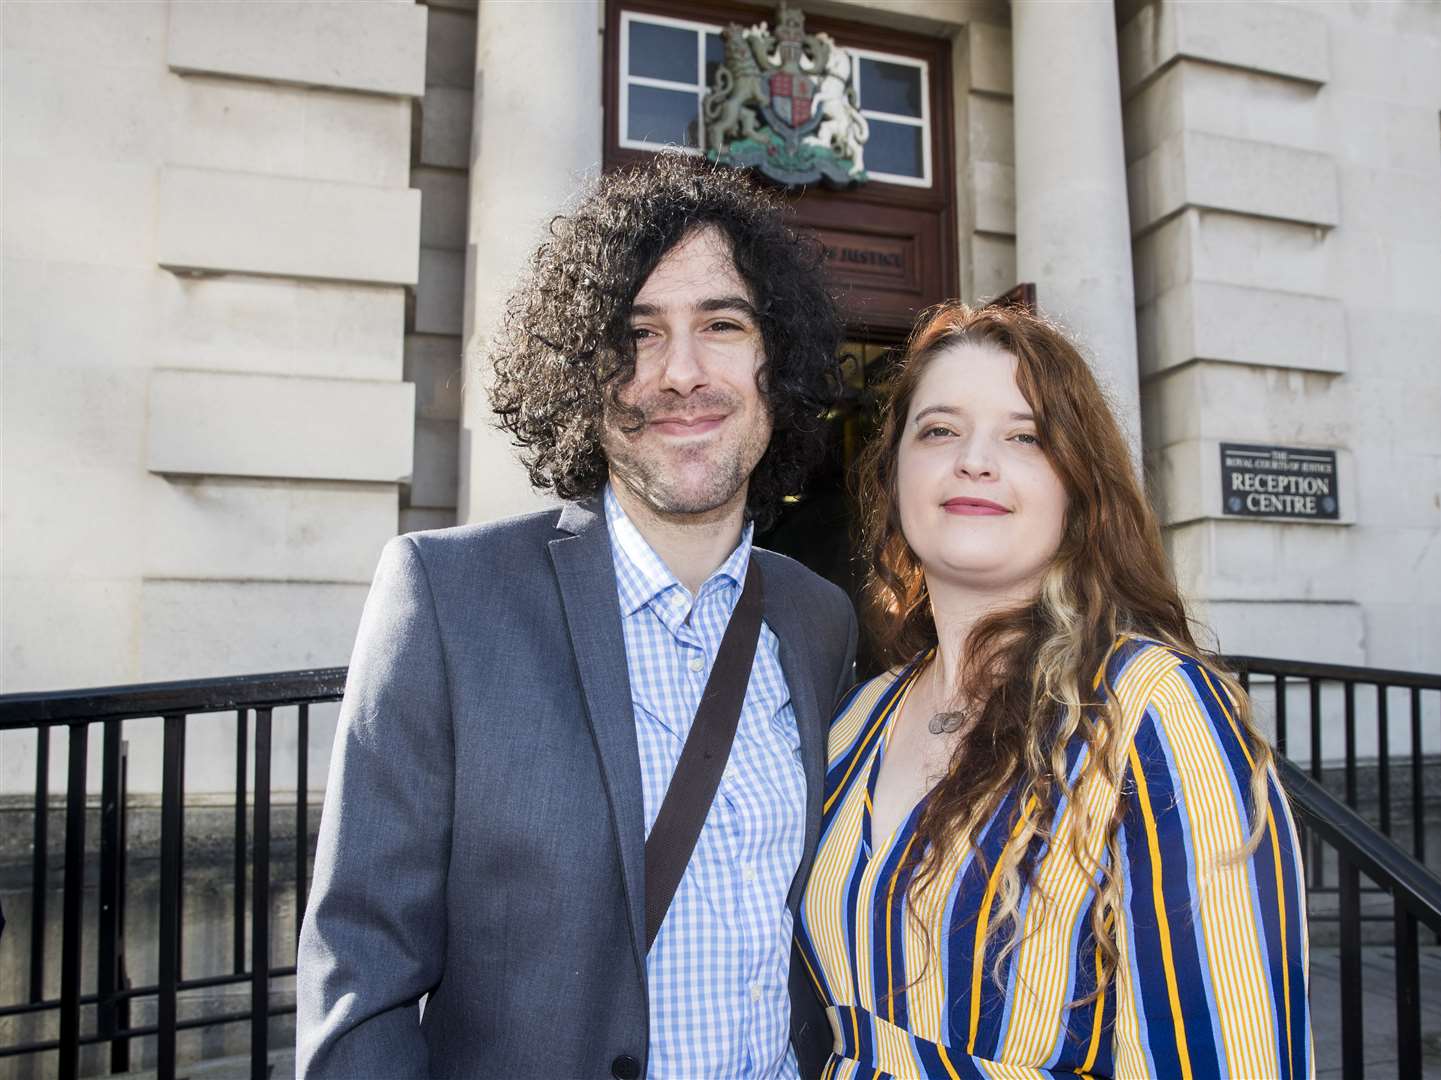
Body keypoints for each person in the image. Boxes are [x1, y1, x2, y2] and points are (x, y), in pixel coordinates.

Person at [296, 156, 858, 1080]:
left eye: (721, 324)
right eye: (638, 333)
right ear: (581, 373)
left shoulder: (817, 618)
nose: (681, 373)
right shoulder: (447, 598)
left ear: (776, 361)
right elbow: (361, 985)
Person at [796, 303, 1312, 1079]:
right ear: (894, 471)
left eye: (1024, 436)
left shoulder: (1153, 709)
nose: (975, 460)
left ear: (1077, 484)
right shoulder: (859, 716)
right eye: (938, 430)